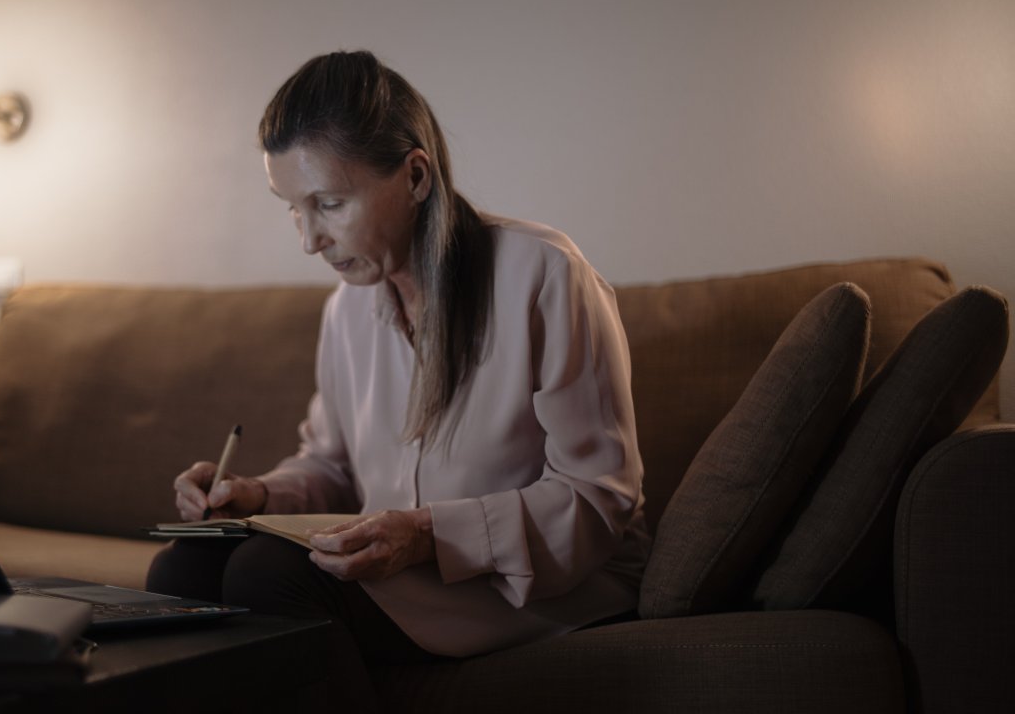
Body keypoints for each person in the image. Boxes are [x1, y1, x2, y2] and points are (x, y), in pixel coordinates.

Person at [146, 50, 649, 709]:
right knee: (183, 565)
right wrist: (259, 494)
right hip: (408, 573)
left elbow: (598, 498)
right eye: (292, 208)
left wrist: (429, 533)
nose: (309, 241)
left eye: (328, 203)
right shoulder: (347, 309)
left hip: (537, 584)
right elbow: (331, 464)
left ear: (415, 176)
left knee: (266, 578)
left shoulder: (544, 274)